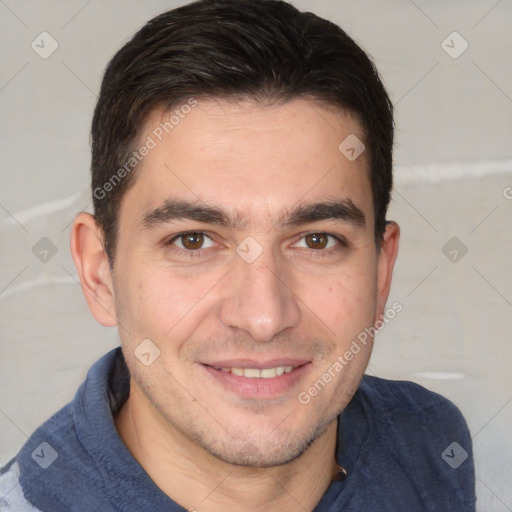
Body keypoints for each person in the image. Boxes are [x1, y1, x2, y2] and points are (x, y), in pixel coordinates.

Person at [0, 0, 476, 510]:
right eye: (194, 240)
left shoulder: (429, 445)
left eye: (316, 240)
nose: (264, 317)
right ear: (99, 273)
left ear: (381, 274)